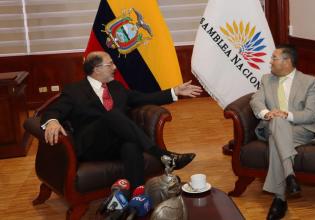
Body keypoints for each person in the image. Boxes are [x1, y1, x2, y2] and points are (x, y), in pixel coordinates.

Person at [41, 51, 203, 189]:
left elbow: (144, 98)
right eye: (110, 64)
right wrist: (53, 121)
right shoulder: (74, 90)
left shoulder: (116, 87)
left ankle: (136, 198)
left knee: (131, 145)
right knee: (112, 114)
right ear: (96, 69)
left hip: (115, 144)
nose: (115, 68)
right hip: (91, 146)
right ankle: (161, 155)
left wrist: (175, 91)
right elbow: (52, 111)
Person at [250, 45, 315, 219]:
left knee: (278, 133)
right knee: (277, 124)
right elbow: (255, 101)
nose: (270, 62)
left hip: (300, 129)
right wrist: (267, 113)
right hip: (272, 126)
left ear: (287, 61)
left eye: (274, 58)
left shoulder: (309, 82)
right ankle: (289, 176)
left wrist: (286, 115)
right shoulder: (266, 79)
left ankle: (280, 199)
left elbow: (311, 114)